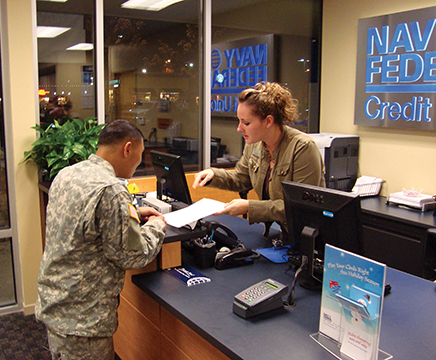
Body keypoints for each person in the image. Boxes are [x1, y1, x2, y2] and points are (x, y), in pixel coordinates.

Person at [35, 119, 167, 360]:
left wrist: (133, 214)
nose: (138, 165)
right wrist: (157, 226)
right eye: (138, 157)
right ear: (127, 149)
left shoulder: (68, 174)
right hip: (83, 321)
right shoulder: (111, 189)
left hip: (57, 304)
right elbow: (133, 254)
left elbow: (84, 224)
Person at [192, 82, 324, 242]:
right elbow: (240, 179)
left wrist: (250, 207)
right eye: (239, 121)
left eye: (246, 123)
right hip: (279, 235)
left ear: (268, 121)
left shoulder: (302, 148)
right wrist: (213, 174)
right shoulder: (254, 144)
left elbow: (300, 207)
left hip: (308, 239)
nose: (239, 128)